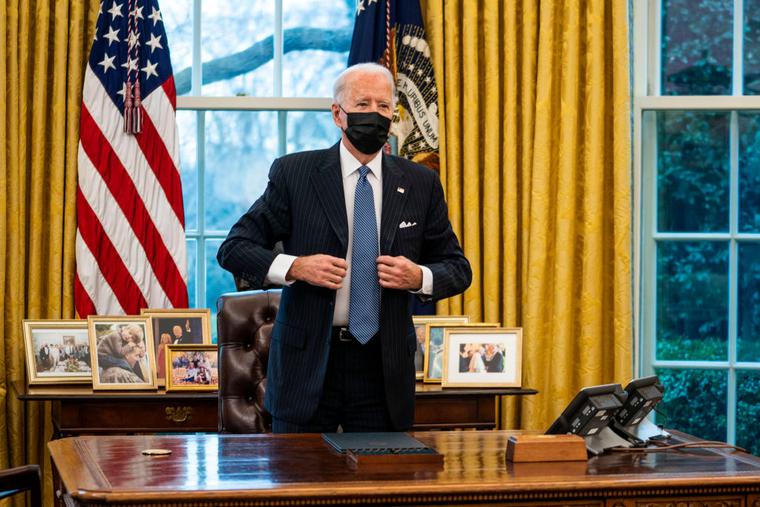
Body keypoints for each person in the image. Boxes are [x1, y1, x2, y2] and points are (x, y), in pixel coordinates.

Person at [217, 62, 471, 433]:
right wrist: (295, 267)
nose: (374, 114)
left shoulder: (420, 183)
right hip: (308, 365)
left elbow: (457, 267)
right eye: (363, 104)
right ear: (338, 114)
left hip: (382, 370)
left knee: (378, 485)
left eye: (384, 106)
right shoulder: (295, 174)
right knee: (301, 485)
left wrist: (419, 276)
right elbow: (234, 248)